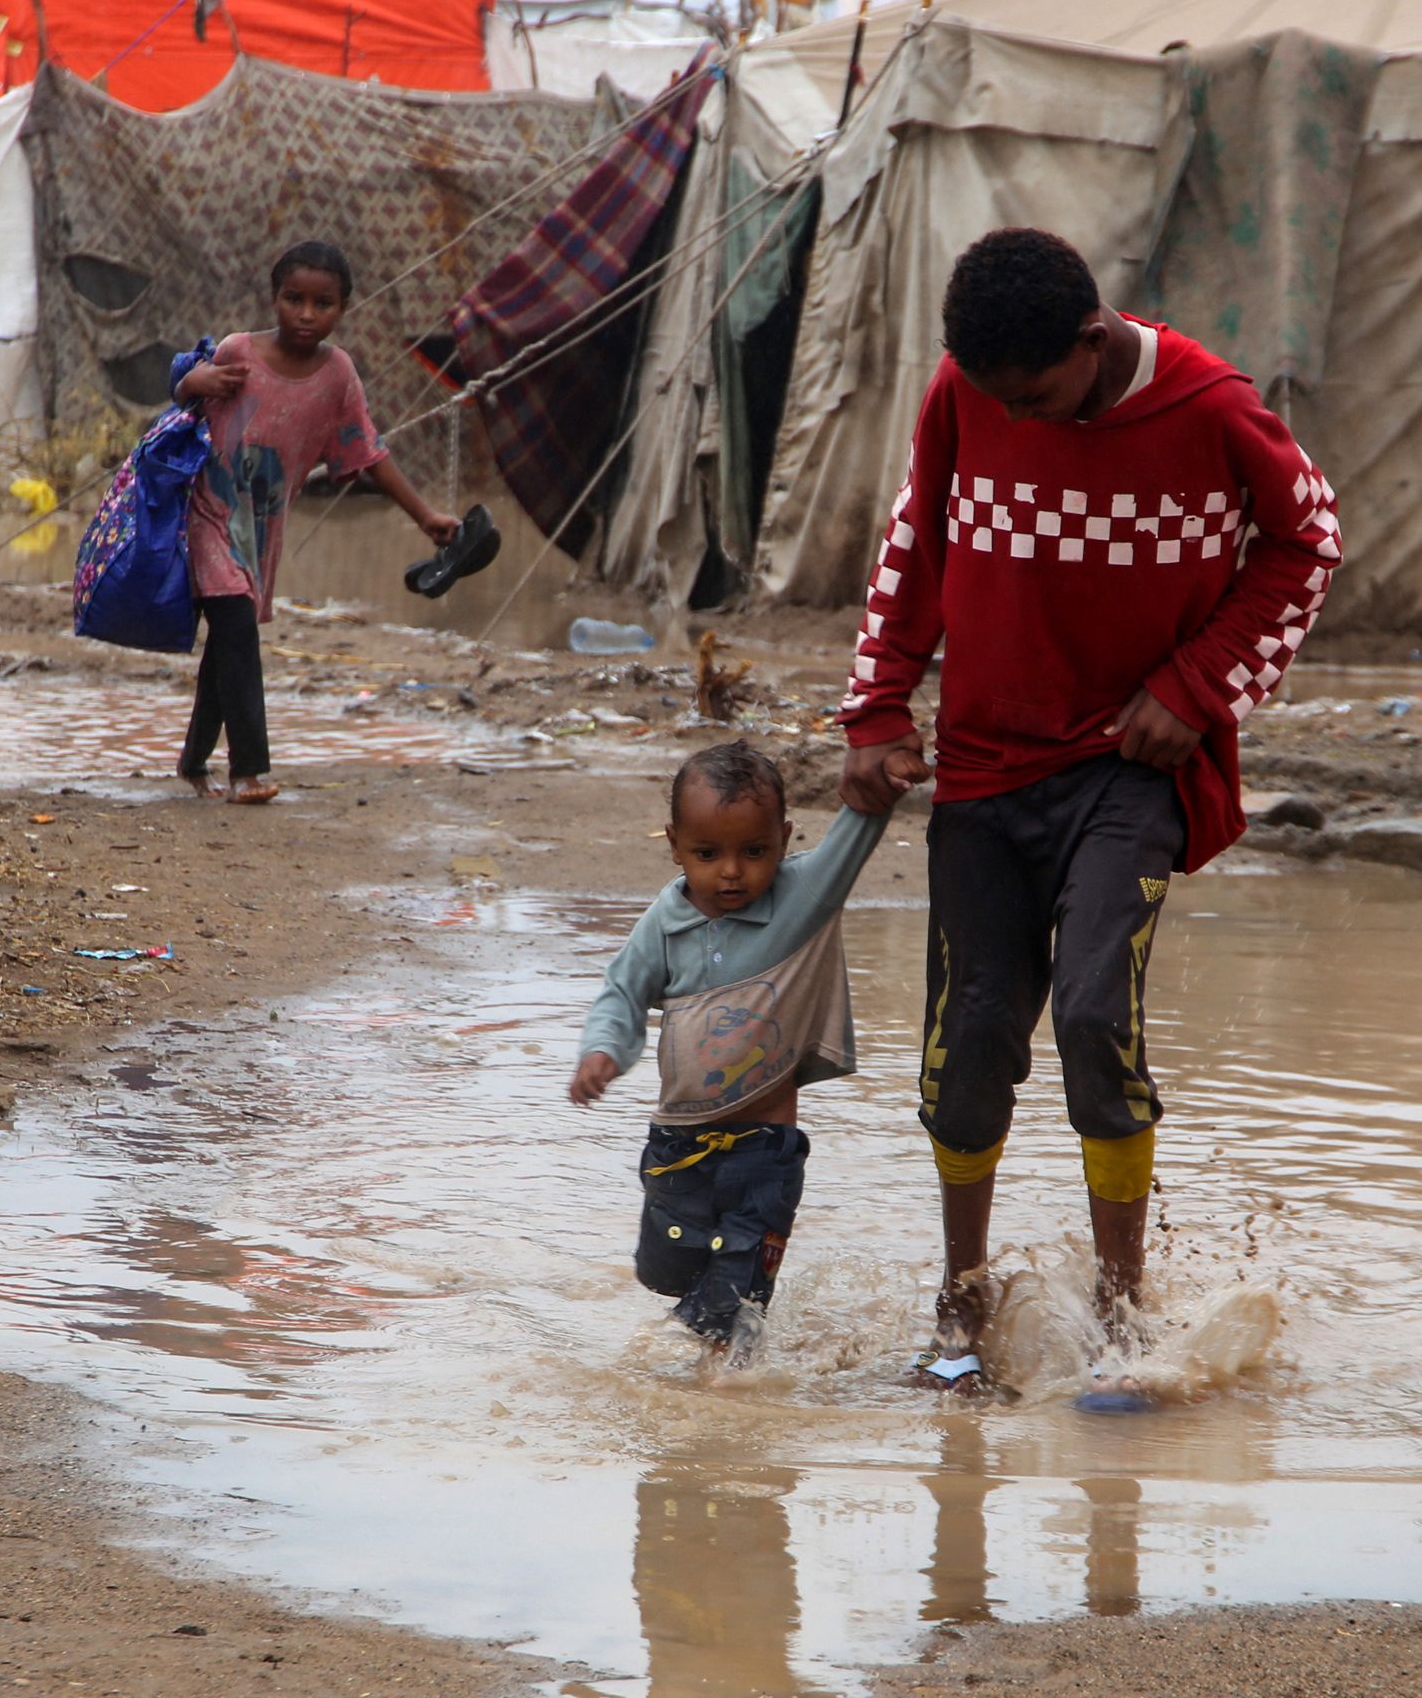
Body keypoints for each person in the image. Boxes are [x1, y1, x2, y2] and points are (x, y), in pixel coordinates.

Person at [835, 227, 1343, 1403]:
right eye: (1000, 395)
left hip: (1127, 765)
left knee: (1091, 1017)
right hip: (981, 766)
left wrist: (1195, 684)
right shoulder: (966, 391)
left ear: (1092, 337)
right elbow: (914, 545)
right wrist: (874, 709)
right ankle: (962, 1303)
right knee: (965, 1048)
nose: (1024, 412)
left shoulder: (1211, 405)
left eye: (1041, 391)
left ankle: (1123, 1311)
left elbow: (1308, 541)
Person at [570, 740, 918, 1370]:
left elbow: (856, 830)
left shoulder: (803, 898)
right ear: (674, 845)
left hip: (765, 1149)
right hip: (678, 1148)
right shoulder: (664, 925)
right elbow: (622, 992)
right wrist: (604, 1050)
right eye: (708, 854)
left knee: (738, 1282)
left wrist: (886, 779)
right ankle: (713, 1352)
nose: (731, 872)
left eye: (753, 852)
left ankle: (724, 1386)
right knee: (667, 1273)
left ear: (783, 840)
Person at [168, 240, 460, 803]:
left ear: (343, 308)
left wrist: (426, 518)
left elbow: (368, 452)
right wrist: (191, 384)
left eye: (321, 303)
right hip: (207, 515)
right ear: (274, 299)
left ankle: (193, 762)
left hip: (263, 529)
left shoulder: (337, 376)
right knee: (237, 631)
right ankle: (249, 771)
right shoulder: (237, 352)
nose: (306, 314)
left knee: (229, 644)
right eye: (293, 299)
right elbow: (181, 414)